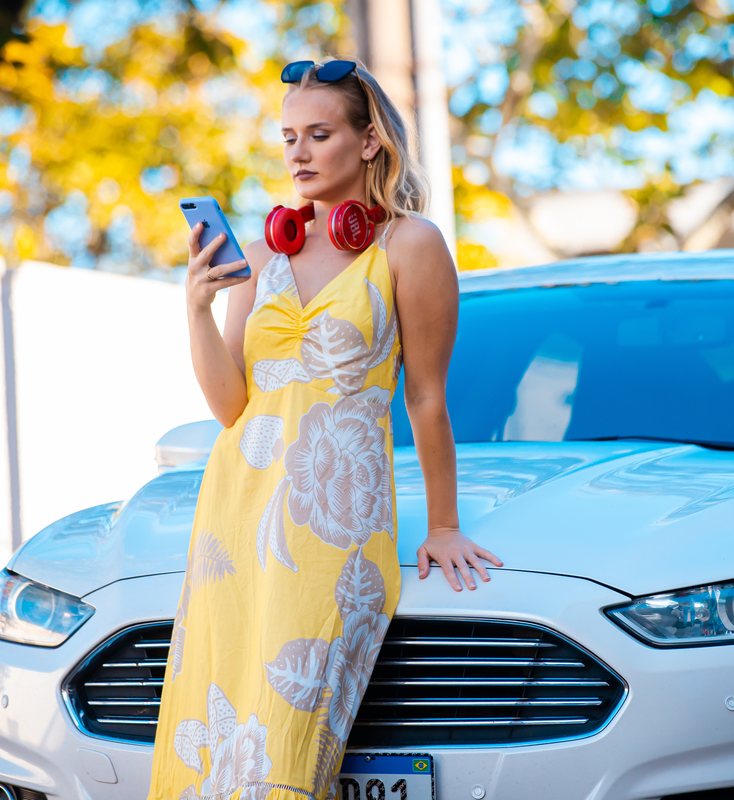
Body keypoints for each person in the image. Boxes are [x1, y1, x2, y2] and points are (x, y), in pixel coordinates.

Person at [146, 59, 502, 800]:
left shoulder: (410, 246)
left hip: (333, 524)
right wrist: (197, 309)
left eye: (319, 134)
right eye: (288, 138)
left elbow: (425, 398)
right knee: (217, 740)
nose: (298, 154)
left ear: (370, 141)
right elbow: (231, 406)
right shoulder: (264, 253)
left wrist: (444, 525)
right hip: (233, 519)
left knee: (284, 745)